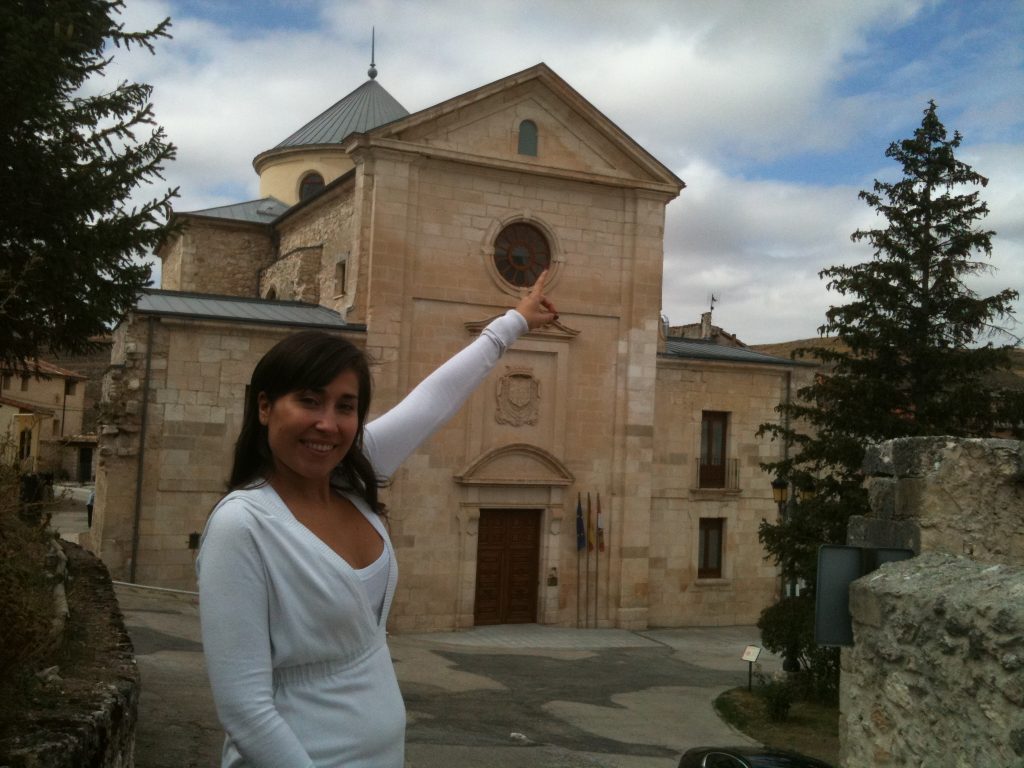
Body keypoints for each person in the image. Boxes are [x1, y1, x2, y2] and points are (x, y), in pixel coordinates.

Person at [197, 273, 557, 768]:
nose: (328, 423)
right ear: (264, 407)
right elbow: (245, 710)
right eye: (308, 400)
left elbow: (432, 401)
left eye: (345, 407)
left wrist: (513, 323)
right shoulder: (243, 526)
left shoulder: (348, 474)